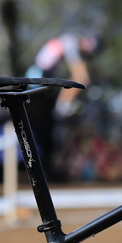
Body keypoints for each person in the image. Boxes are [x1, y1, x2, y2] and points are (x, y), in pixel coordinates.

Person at [25, 32, 99, 180]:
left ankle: (48, 169)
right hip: (36, 84)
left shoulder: (68, 42)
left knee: (46, 131)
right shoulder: (70, 42)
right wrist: (64, 104)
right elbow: (81, 75)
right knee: (45, 130)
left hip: (39, 84)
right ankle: (62, 108)